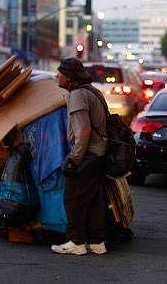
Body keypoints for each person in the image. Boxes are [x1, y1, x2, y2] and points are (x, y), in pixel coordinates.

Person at [51, 58, 108, 255]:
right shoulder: (93, 92)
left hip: (87, 156)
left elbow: (83, 131)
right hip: (99, 154)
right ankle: (97, 242)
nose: (57, 76)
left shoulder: (77, 95)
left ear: (69, 77)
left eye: (60, 73)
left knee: (73, 200)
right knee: (93, 201)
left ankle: (76, 242)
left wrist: (74, 159)